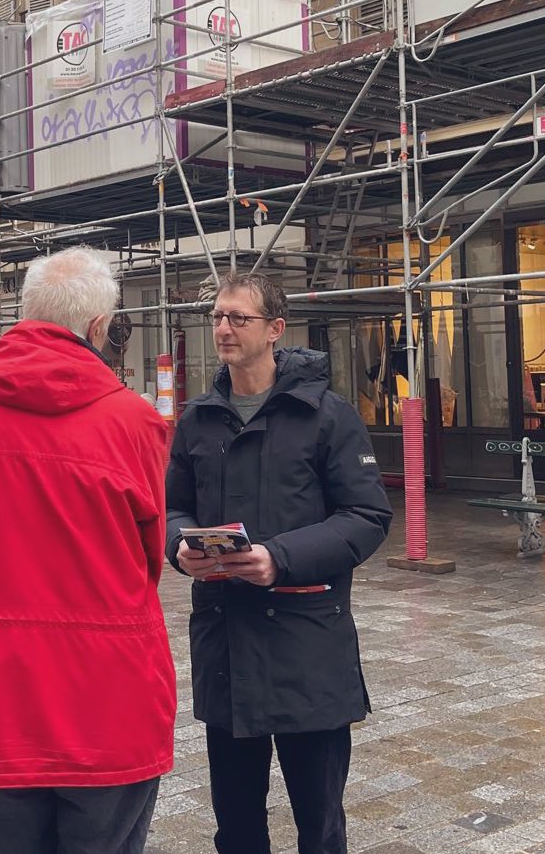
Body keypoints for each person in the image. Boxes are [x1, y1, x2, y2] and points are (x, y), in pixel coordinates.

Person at [0, 246, 176, 854]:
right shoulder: (134, 423)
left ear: (24, 313)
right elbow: (148, 560)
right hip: (107, 698)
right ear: (98, 327)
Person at [166, 271, 392, 854]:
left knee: (319, 825)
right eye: (217, 316)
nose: (223, 328)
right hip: (225, 648)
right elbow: (173, 508)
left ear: (275, 330)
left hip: (306, 649)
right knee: (236, 826)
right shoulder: (198, 418)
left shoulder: (325, 415)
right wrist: (181, 547)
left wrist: (280, 558)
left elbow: (366, 516)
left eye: (238, 318)